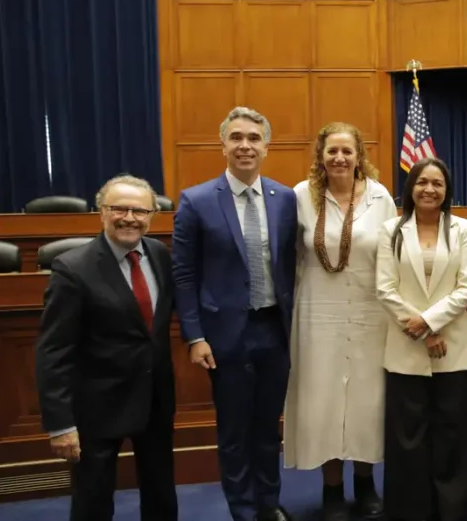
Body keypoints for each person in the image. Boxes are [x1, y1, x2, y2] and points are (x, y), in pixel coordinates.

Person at [172, 106, 298, 521]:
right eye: (237, 138)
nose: (245, 146)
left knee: (267, 428)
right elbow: (184, 274)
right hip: (225, 335)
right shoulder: (197, 200)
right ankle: (243, 509)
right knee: (234, 431)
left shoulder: (285, 199)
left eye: (254, 139)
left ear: (266, 146)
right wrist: (194, 335)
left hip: (274, 331)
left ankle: (268, 503)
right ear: (223, 144)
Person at [35, 174, 178, 521]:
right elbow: (53, 350)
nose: (130, 218)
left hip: (155, 399)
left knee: (161, 492)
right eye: (120, 209)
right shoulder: (73, 268)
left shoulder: (159, 254)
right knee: (93, 500)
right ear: (102, 212)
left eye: (140, 211)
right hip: (97, 407)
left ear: (152, 216)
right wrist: (60, 424)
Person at [283, 122, 395, 521]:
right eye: (332, 151)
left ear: (359, 154)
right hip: (318, 311)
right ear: (321, 155)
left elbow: (392, 256)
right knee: (324, 401)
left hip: (370, 311)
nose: (340, 158)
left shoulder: (380, 197)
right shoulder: (299, 196)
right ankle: (332, 491)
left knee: (366, 400)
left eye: (348, 150)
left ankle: (366, 486)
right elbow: (286, 254)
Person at [375, 158, 467, 521]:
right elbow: (384, 289)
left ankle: (453, 508)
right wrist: (422, 330)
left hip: (451, 348)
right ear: (411, 187)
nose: (429, 189)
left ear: (447, 190)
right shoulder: (391, 230)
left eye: (437, 183)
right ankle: (410, 510)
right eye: (422, 182)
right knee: (408, 437)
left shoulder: (463, 229)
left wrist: (432, 325)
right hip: (405, 346)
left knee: (452, 433)